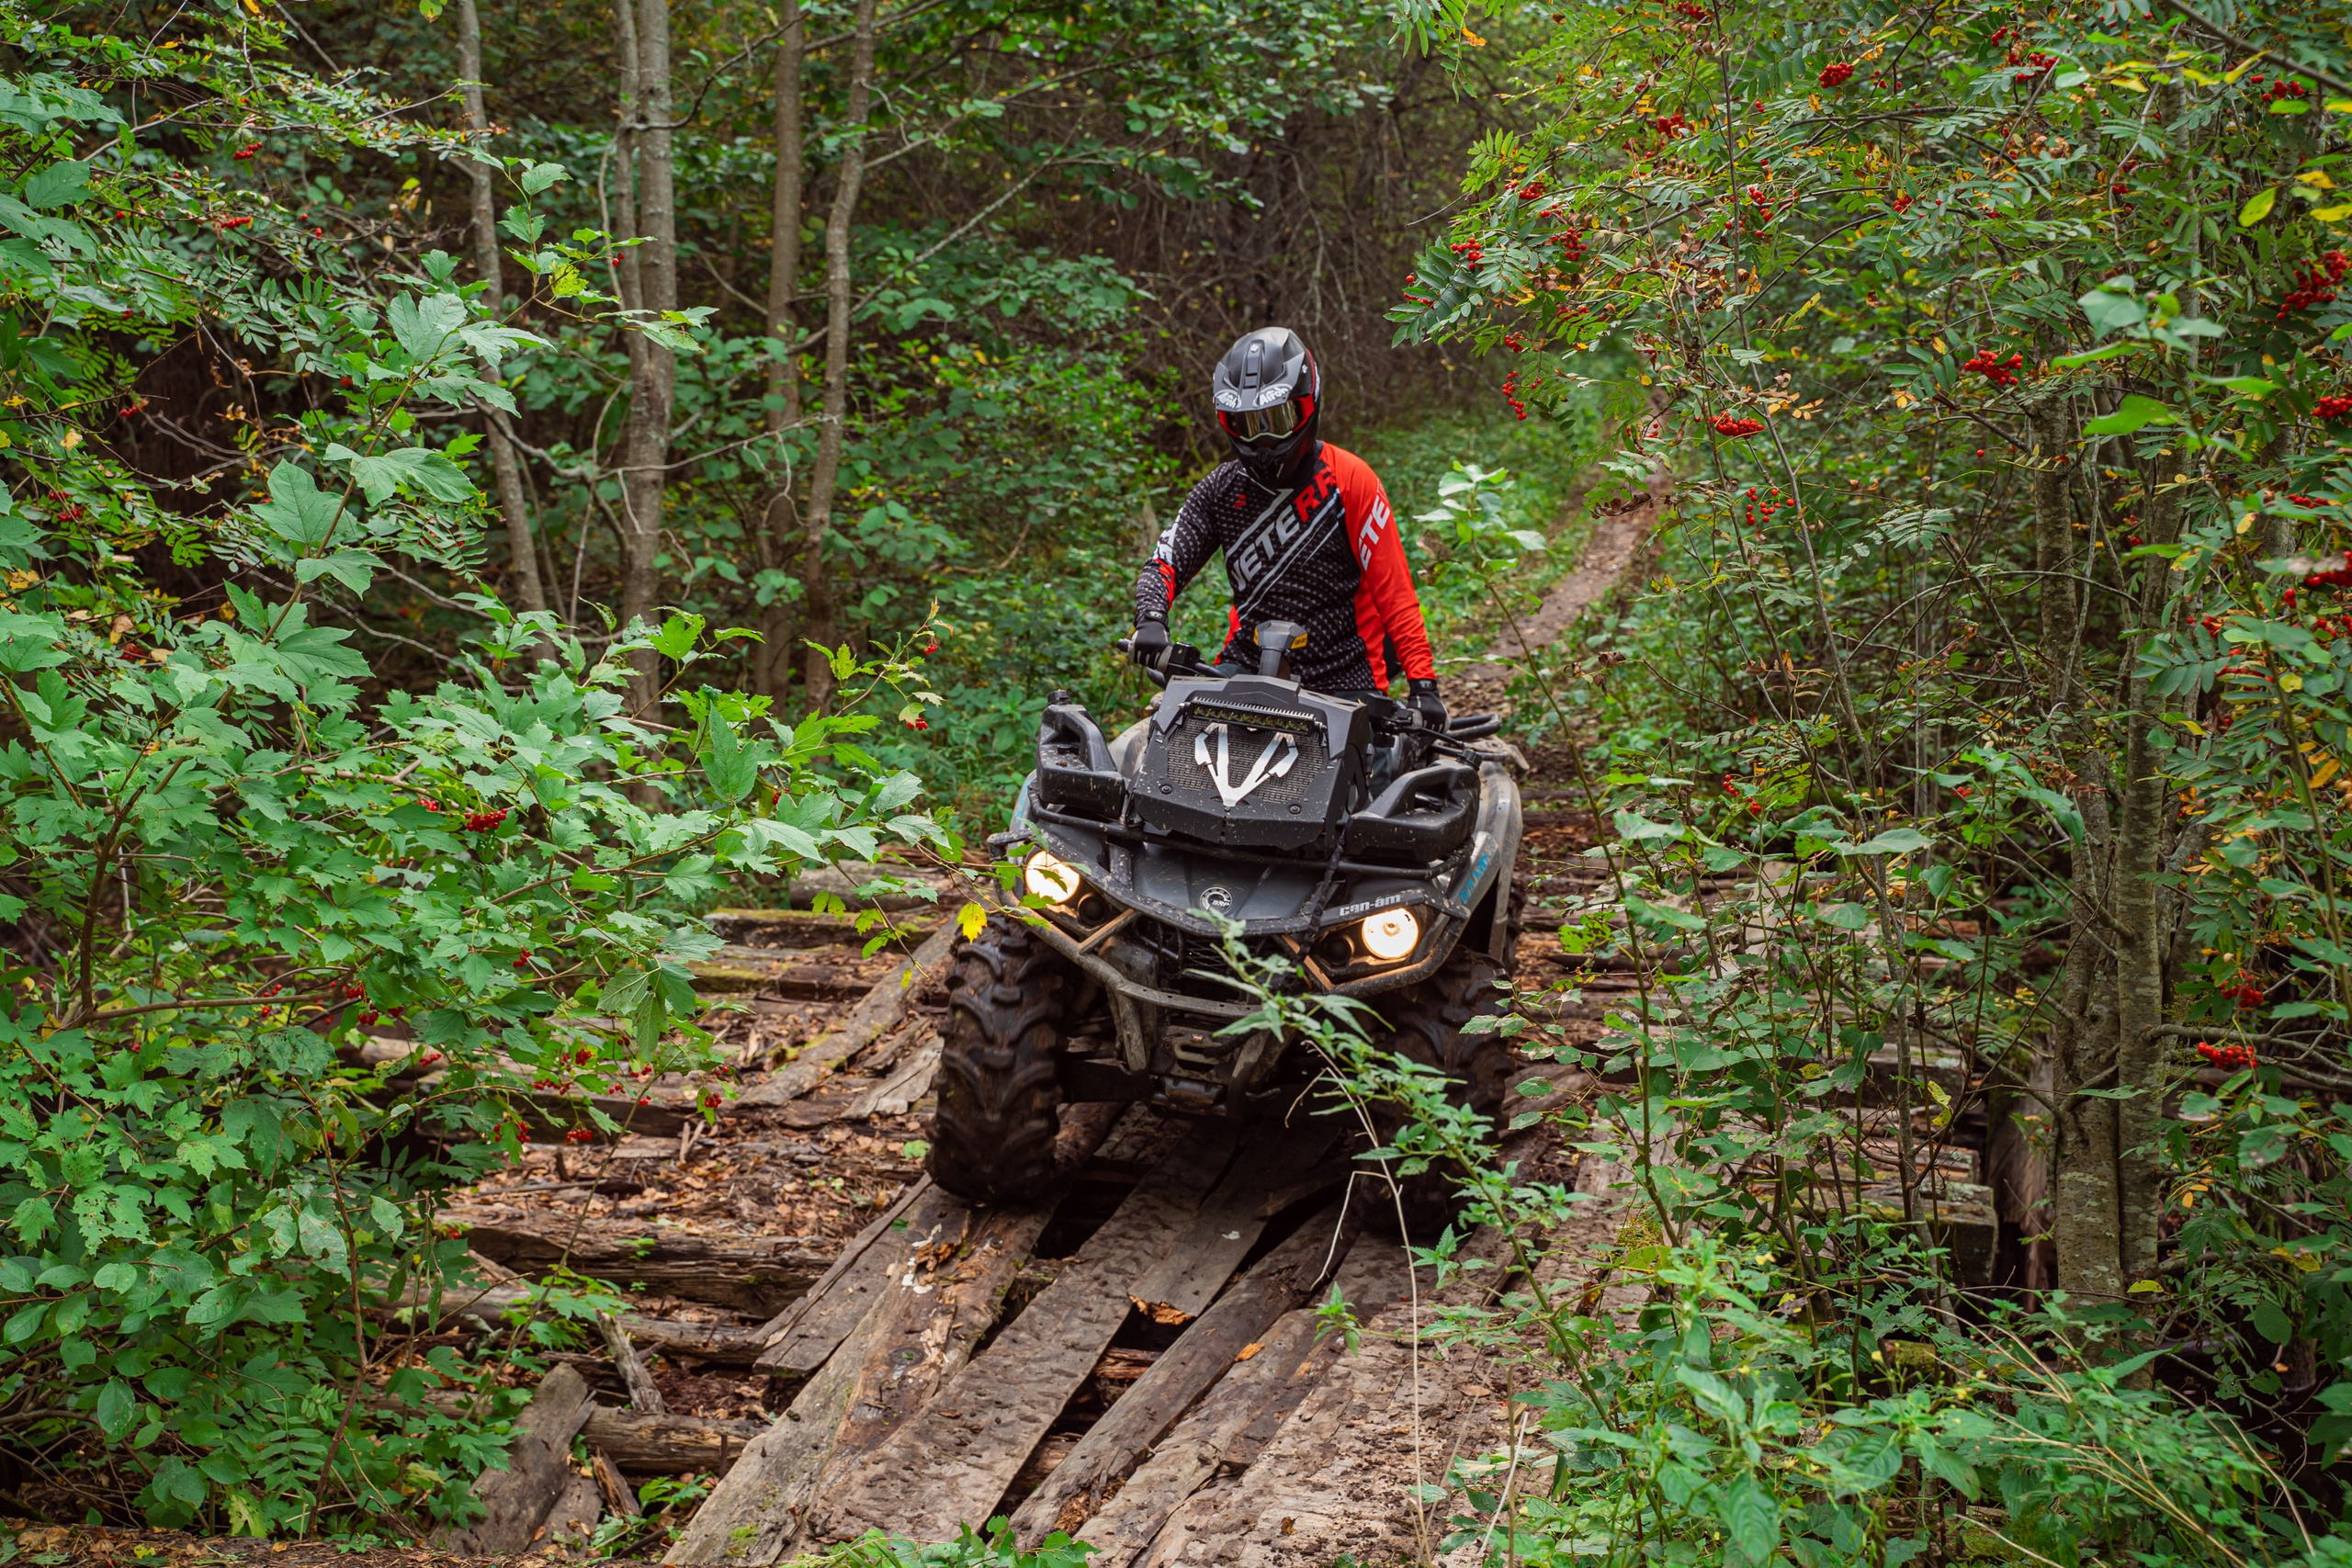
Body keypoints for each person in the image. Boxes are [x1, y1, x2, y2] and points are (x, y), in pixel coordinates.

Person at [1128, 327, 1447, 733]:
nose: (1261, 440)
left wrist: (1423, 683)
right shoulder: (1220, 489)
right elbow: (1166, 561)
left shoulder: (1350, 479)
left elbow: (1396, 595)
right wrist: (1151, 619)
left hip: (1344, 679)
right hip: (1244, 669)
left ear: (1305, 406)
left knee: (1373, 786)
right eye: (1246, 424)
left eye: (1275, 420)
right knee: (1173, 753)